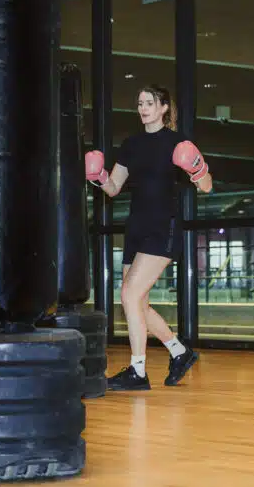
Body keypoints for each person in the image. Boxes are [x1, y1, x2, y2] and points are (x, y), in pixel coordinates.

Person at [84, 84, 212, 391]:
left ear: (164, 107)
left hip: (163, 226)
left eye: (149, 103)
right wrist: (98, 177)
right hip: (137, 227)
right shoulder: (131, 144)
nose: (143, 108)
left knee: (130, 295)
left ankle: (138, 371)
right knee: (137, 302)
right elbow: (114, 188)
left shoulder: (177, 142)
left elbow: (207, 186)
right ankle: (179, 352)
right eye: (140, 103)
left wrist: (197, 168)